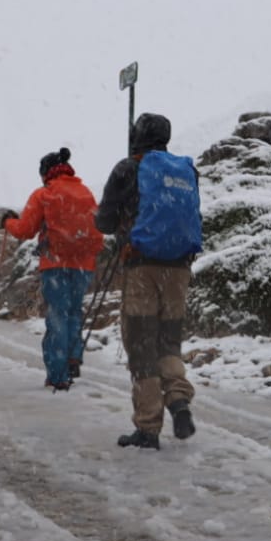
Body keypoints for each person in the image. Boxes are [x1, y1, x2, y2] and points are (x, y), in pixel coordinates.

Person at [95, 113, 200, 449]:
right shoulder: (186, 171)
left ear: (137, 135)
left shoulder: (128, 168)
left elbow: (105, 222)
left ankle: (148, 427)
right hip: (179, 269)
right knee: (168, 342)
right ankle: (179, 400)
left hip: (141, 268)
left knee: (142, 346)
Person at [1, 147, 105, 391]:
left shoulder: (44, 194)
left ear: (46, 172)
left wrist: (7, 222)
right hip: (84, 264)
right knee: (74, 312)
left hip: (55, 264)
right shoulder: (85, 193)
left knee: (58, 315)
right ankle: (72, 358)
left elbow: (25, 229)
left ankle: (58, 375)